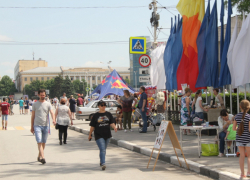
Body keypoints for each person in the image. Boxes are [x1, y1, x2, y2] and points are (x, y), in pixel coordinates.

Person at [88, 100, 117, 170]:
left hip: (107, 134)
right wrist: (90, 134)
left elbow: (111, 123)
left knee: (103, 149)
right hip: (98, 135)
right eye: (102, 105)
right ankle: (103, 163)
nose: (103, 106)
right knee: (102, 149)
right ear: (98, 106)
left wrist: (114, 127)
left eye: (104, 105)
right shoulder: (95, 115)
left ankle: (101, 161)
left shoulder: (108, 114)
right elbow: (92, 126)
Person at [30, 89, 56, 164]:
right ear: (38, 95)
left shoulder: (48, 104)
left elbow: (52, 112)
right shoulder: (35, 104)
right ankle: (43, 157)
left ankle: (39, 156)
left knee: (44, 142)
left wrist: (54, 120)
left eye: (44, 95)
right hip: (37, 125)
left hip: (45, 126)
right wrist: (32, 127)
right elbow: (33, 116)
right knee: (39, 142)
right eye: (41, 95)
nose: (43, 96)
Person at [233, 100, 250, 179]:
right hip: (248, 138)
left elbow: (234, 128)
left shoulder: (236, 116)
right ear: (248, 107)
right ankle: (249, 172)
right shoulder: (249, 117)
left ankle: (242, 174)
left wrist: (238, 129)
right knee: (249, 156)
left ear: (240, 107)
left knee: (242, 156)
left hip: (239, 138)